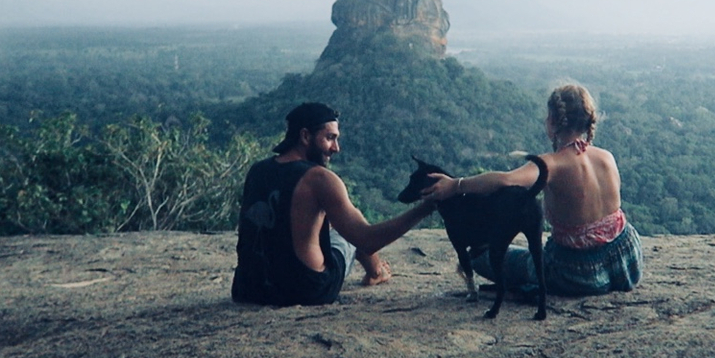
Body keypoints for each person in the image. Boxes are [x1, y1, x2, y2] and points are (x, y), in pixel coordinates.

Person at [421, 84, 642, 296]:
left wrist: (455, 185)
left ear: (553, 121)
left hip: (576, 273)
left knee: (479, 257)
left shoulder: (551, 165)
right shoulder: (606, 156)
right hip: (627, 261)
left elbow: (506, 181)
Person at [232, 102, 436, 306]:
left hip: (249, 289)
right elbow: (367, 240)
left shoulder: (257, 170)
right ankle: (376, 272)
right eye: (330, 138)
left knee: (328, 223)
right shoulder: (320, 179)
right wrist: (426, 208)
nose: (336, 148)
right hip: (304, 291)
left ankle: (375, 271)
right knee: (346, 235)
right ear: (305, 136)